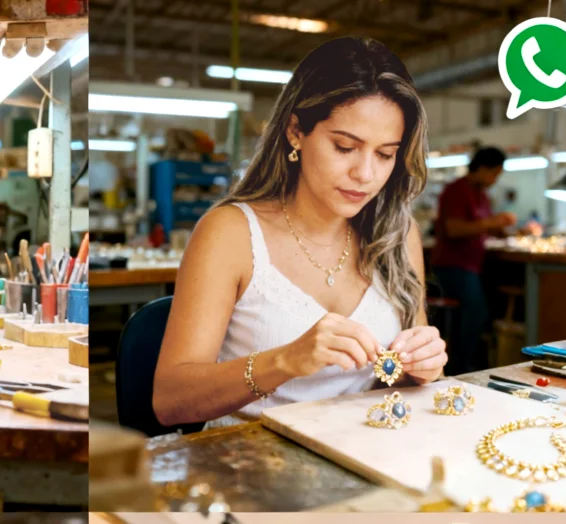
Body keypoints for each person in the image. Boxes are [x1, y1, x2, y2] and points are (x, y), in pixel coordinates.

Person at [153, 37, 446, 429]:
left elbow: (406, 385)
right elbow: (170, 401)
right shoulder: (231, 234)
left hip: (365, 452)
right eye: (345, 147)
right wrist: (285, 360)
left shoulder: (397, 234)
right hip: (246, 459)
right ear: (295, 131)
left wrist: (423, 369)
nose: (365, 174)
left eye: (385, 154)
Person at [430, 147, 518, 375]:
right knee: (476, 312)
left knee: (484, 311)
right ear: (481, 168)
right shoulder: (456, 191)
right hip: (452, 266)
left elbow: (483, 226)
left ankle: (467, 363)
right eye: (494, 174)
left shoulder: (482, 195)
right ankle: (458, 370)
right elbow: (454, 229)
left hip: (472, 266)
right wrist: (492, 223)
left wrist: (505, 228)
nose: (495, 180)